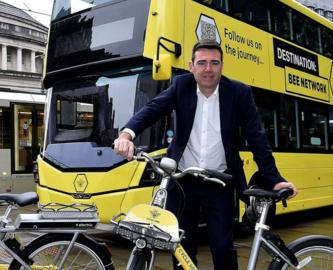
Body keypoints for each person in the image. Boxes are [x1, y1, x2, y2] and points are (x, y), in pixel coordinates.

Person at [113, 39, 297, 270]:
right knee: (180, 247)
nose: (208, 69)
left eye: (214, 63)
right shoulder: (181, 86)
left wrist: (275, 179)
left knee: (222, 247)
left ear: (221, 66)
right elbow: (153, 109)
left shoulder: (238, 93)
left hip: (220, 181)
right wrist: (127, 135)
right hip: (182, 183)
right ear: (192, 66)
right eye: (202, 63)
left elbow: (257, 138)